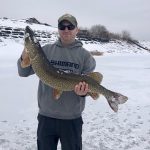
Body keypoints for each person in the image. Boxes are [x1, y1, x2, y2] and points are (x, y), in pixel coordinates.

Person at [17, 13, 96, 150]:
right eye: (62, 26)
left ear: (76, 30)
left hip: (71, 120)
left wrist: (83, 92)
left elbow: (89, 87)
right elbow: (23, 72)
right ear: (58, 29)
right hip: (46, 118)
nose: (66, 30)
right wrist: (25, 54)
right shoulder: (45, 50)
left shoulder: (85, 57)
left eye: (70, 26)